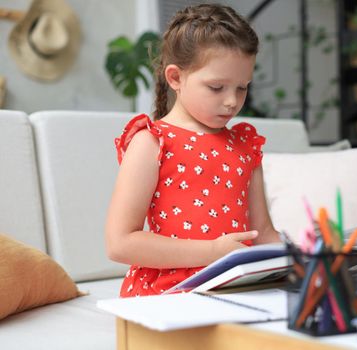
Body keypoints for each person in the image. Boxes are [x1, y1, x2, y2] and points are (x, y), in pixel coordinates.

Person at [105, 3, 281, 297]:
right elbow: (119, 242)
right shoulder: (151, 142)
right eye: (217, 87)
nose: (232, 101)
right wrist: (213, 251)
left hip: (237, 287)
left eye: (242, 87)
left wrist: (305, 261)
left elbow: (263, 234)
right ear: (175, 78)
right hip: (169, 293)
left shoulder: (246, 146)